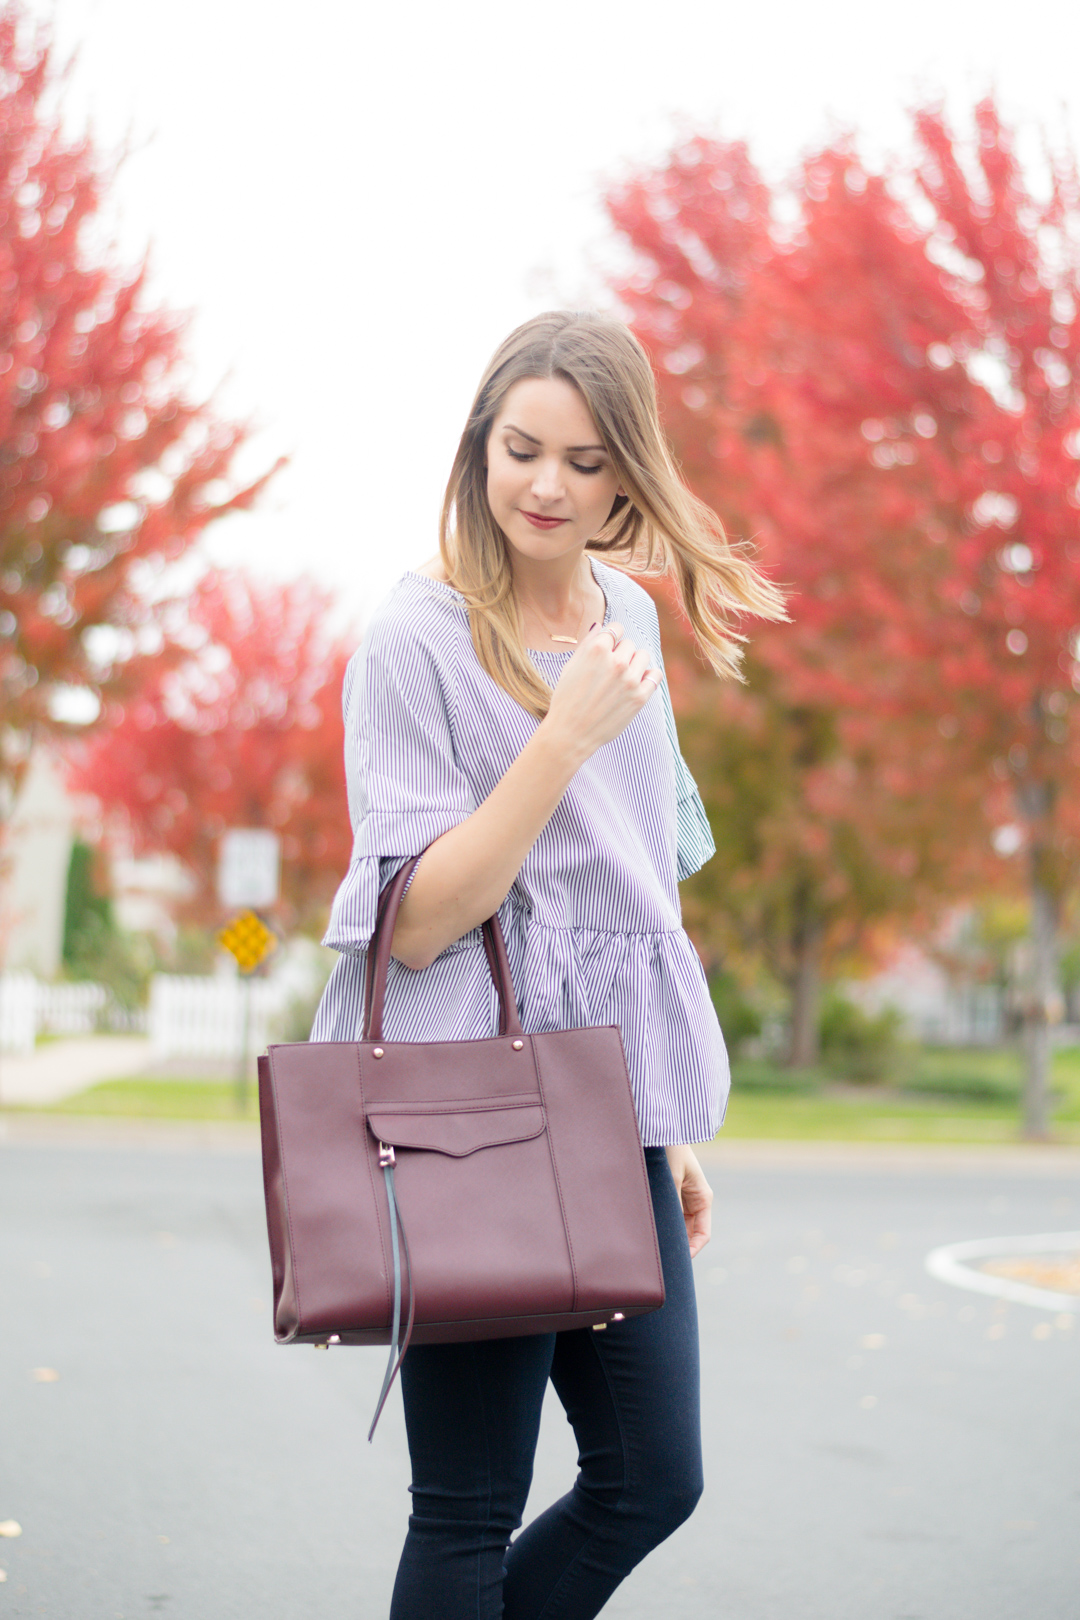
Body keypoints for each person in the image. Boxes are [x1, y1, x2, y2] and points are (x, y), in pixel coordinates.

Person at [312, 310, 786, 1619]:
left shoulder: (627, 610)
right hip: (469, 1101)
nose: (547, 486)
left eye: (585, 463)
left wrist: (664, 1123)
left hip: (606, 1100)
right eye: (523, 449)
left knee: (652, 1475)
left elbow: (639, 882)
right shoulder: (418, 635)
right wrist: (557, 739)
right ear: (479, 444)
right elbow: (415, 919)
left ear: (627, 476)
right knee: (469, 1508)